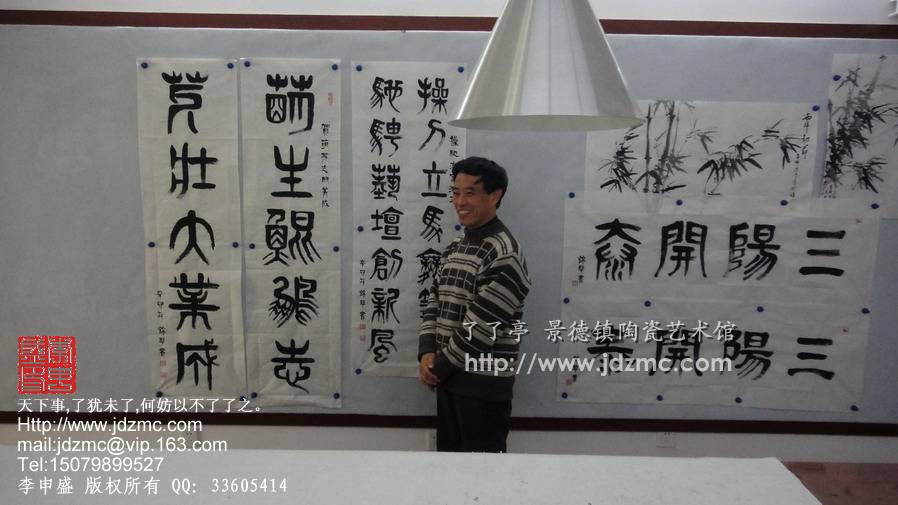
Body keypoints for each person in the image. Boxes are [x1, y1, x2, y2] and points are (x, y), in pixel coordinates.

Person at [417, 156, 531, 452]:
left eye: (470, 193)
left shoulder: (504, 252)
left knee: (483, 475)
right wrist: (426, 352)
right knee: (450, 472)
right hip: (449, 381)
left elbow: (480, 329)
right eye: (455, 193)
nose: (460, 202)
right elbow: (434, 301)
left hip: (483, 390)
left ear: (495, 196)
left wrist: (437, 368)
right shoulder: (456, 247)